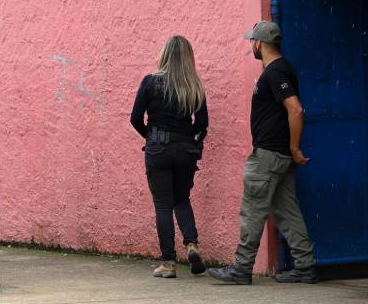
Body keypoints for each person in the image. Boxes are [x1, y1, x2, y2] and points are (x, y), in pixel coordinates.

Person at [209, 21, 316, 285]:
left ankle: (241, 268)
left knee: (252, 210)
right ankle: (305, 267)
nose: (251, 46)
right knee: (286, 209)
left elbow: (296, 109)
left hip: (269, 154)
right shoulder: (283, 69)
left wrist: (294, 148)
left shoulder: (275, 73)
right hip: (279, 155)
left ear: (259, 43)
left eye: (252, 42)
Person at [130, 35, 208, 279]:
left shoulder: (150, 82)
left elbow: (135, 118)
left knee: (163, 205)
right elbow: (203, 123)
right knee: (181, 198)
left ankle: (168, 263)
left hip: (158, 148)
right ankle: (192, 244)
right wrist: (185, 135)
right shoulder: (194, 85)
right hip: (186, 151)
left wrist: (151, 136)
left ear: (164, 55)